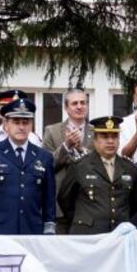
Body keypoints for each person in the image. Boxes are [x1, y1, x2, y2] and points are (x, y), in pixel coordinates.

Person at [0, 98, 56, 235]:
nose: (21, 127)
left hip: (32, 231)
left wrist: (49, 230)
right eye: (16, 122)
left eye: (25, 122)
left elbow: (49, 200)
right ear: (6, 124)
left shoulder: (44, 157)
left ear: (31, 125)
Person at [57, 115, 137, 234]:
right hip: (87, 234)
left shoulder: (129, 168)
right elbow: (65, 198)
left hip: (119, 234)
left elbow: (135, 202)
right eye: (104, 136)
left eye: (114, 136)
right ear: (95, 139)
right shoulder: (79, 166)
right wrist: (83, 220)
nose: (110, 141)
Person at [43, 88, 94, 227]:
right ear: (66, 107)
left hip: (90, 206)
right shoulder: (52, 131)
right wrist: (66, 146)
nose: (79, 106)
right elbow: (45, 166)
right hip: (60, 207)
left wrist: (82, 150)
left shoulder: (97, 132)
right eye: (75, 103)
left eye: (83, 103)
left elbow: (101, 164)